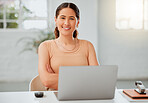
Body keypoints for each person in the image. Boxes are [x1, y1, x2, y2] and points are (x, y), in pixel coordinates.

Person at [38, 2, 99, 90]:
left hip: (83, 97)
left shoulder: (88, 46)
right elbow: (46, 81)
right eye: (62, 18)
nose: (66, 23)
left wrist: (57, 77)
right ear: (55, 20)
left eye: (71, 18)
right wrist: (84, 78)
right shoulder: (45, 47)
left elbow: (97, 79)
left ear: (77, 22)